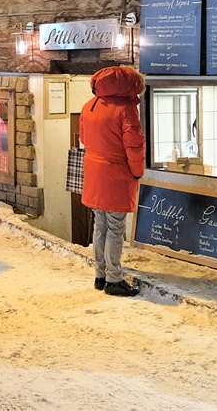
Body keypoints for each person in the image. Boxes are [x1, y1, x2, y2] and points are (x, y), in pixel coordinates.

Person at [81, 65, 146, 297]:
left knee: (100, 225)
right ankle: (114, 279)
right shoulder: (126, 109)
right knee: (115, 228)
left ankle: (100, 275)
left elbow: (84, 139)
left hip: (94, 173)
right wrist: (137, 173)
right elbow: (134, 145)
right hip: (117, 175)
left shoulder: (90, 106)